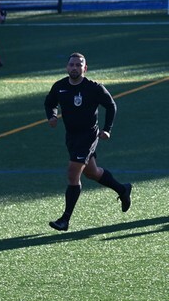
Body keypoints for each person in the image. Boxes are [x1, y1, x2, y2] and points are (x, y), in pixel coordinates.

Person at [44, 52, 131, 232]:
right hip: (71, 137)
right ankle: (122, 189)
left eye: (78, 65)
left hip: (88, 136)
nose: (74, 68)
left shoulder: (94, 87)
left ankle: (65, 219)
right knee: (92, 172)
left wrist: (107, 129)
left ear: (85, 68)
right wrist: (52, 116)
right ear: (67, 67)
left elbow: (111, 105)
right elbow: (50, 102)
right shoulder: (60, 86)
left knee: (72, 174)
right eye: (72, 65)